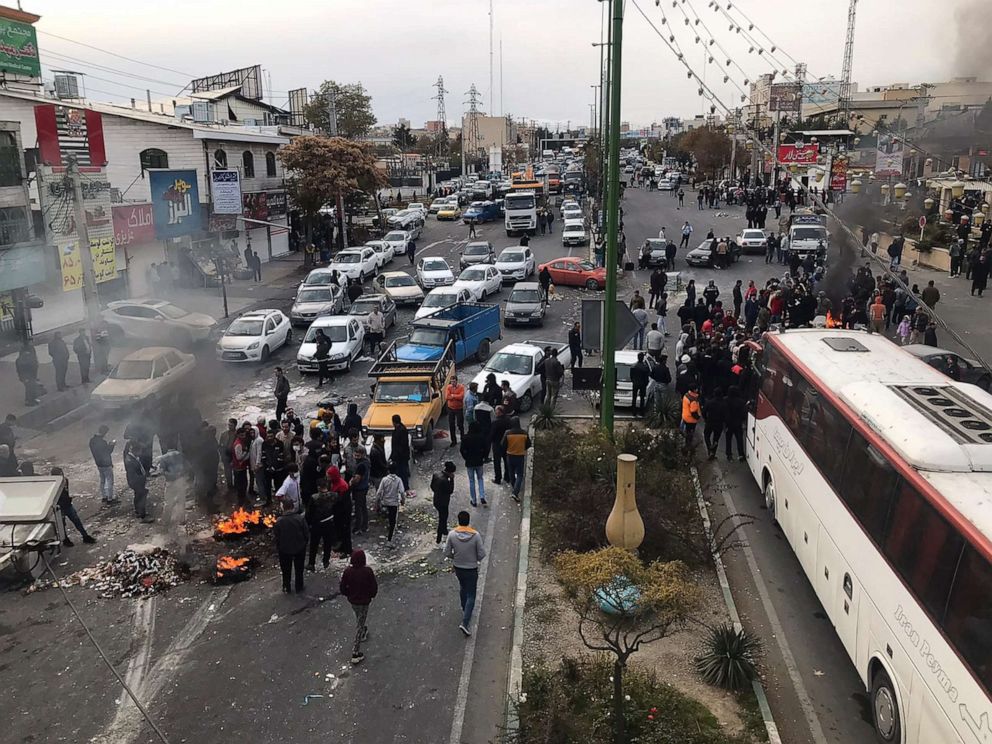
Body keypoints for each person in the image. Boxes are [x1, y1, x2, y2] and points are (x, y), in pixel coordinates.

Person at [444, 510, 487, 637]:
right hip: (471, 568)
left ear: (458, 520)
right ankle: (465, 622)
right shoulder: (476, 536)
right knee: (472, 594)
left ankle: (464, 609)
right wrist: (474, 559)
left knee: (463, 587)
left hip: (458, 568)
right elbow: (482, 554)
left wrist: (455, 557)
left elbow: (446, 552)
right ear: (468, 521)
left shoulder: (452, 535)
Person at [340, 549, 378, 665]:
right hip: (364, 601)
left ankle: (363, 630)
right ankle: (355, 653)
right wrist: (371, 595)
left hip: (353, 601)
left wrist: (348, 594)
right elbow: (373, 586)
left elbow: (342, 587)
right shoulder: (367, 571)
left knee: (359, 616)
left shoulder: (348, 572)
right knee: (360, 623)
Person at [51, 466, 96, 545]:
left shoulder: (65, 480)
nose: (61, 475)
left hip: (67, 505)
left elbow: (65, 492)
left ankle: (85, 536)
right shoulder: (54, 483)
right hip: (60, 507)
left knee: (76, 520)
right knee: (62, 524)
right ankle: (65, 539)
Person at [273, 498, 309, 594]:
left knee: (286, 570)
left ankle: (286, 586)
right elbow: (306, 533)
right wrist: (304, 543)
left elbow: (277, 537)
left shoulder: (279, 521)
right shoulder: (300, 519)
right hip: (299, 548)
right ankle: (299, 586)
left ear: (283, 507)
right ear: (292, 507)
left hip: (284, 550)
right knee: (299, 568)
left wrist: (279, 547)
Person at [306, 480, 336, 571]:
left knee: (314, 544)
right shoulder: (334, 495)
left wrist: (309, 523)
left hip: (317, 524)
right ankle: (326, 561)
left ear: (319, 487)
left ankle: (311, 563)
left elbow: (309, 513)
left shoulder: (314, 497)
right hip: (329, 522)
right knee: (327, 542)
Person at [460, 421, 488, 507]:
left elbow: (462, 450)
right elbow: (486, 448)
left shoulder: (465, 438)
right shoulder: (481, 437)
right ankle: (482, 495)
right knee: (480, 478)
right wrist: (483, 457)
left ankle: (474, 500)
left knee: (471, 481)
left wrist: (466, 457)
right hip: (479, 461)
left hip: (469, 462)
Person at [502, 417, 530, 503]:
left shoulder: (507, 433)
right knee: (520, 474)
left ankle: (514, 487)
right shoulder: (524, 433)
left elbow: (503, 444)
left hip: (510, 455)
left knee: (511, 472)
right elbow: (528, 444)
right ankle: (515, 492)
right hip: (520, 455)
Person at [376, 464, 406, 544]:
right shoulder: (398, 480)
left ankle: (388, 531)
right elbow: (402, 492)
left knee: (388, 518)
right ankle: (390, 540)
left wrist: (377, 503)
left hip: (385, 502)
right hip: (394, 503)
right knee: (393, 521)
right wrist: (403, 501)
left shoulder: (384, 479)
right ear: (396, 471)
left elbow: (379, 492)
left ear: (388, 471)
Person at [327, 466, 353, 557]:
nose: (328, 478)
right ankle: (341, 548)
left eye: (329, 476)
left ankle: (347, 550)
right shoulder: (334, 483)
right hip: (337, 512)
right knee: (339, 530)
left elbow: (343, 502)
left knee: (345, 531)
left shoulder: (342, 486)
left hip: (343, 512)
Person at [123, 440, 150, 521]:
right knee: (141, 497)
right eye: (140, 451)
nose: (141, 453)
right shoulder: (130, 461)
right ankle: (143, 516)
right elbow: (134, 475)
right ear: (136, 451)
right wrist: (143, 478)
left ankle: (138, 511)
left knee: (137, 496)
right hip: (136, 482)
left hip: (136, 481)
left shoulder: (132, 457)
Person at [89, 425, 117, 504]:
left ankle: (104, 496)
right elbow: (107, 452)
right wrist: (112, 445)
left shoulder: (92, 441)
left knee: (102, 480)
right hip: (106, 464)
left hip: (98, 464)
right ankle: (110, 498)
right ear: (104, 432)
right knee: (109, 481)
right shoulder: (102, 442)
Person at [431, 461, 456, 546]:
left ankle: (444, 530)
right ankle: (439, 538)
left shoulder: (436, 475)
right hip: (443, 502)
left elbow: (432, 486)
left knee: (443, 516)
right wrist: (452, 480)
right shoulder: (445, 481)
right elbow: (450, 490)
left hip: (436, 500)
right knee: (442, 518)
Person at [349, 447, 371, 534]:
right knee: (363, 507)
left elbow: (357, 479)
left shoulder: (361, 465)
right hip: (364, 487)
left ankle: (359, 527)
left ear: (362, 455)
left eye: (358, 455)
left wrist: (351, 482)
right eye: (355, 455)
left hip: (360, 489)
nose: (355, 457)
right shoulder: (366, 462)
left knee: (359, 509)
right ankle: (364, 525)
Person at [489, 405, 511, 485]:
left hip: (497, 444)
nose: (495, 413)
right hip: (506, 444)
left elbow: (492, 434)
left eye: (496, 411)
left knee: (497, 462)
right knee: (506, 461)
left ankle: (498, 478)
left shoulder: (495, 422)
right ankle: (507, 477)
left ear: (500, 412)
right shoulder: (508, 420)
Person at [703, 388, 727, 459]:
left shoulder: (709, 402)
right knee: (716, 439)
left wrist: (706, 419)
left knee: (706, 435)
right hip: (719, 424)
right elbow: (726, 415)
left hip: (710, 422)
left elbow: (703, 412)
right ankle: (713, 452)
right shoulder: (724, 404)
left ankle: (709, 448)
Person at [724, 386, 746, 462]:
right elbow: (744, 413)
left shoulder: (726, 400)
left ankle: (729, 455)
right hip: (738, 423)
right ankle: (741, 455)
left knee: (728, 439)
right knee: (739, 439)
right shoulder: (741, 402)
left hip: (728, 424)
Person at [390, 415, 411, 491]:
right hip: (401, 456)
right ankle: (401, 487)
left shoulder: (400, 430)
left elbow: (400, 445)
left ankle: (404, 487)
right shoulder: (401, 429)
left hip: (401, 457)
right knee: (401, 472)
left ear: (394, 422)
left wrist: (395, 456)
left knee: (402, 472)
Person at [445, 374, 466, 446]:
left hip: (459, 408)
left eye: (454, 381)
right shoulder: (448, 387)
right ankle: (453, 441)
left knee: (460, 424)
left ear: (457, 381)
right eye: (451, 382)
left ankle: (463, 439)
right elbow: (447, 397)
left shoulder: (461, 387)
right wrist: (456, 396)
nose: (452, 383)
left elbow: (461, 397)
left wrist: (453, 395)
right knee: (451, 425)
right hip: (450, 408)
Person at [681, 385, 702, 453]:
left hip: (685, 416)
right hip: (691, 420)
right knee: (690, 433)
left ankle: (687, 443)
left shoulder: (686, 395)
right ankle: (688, 445)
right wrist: (698, 417)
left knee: (687, 430)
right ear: (694, 390)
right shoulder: (693, 400)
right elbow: (693, 412)